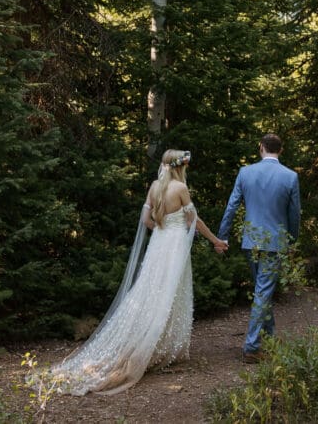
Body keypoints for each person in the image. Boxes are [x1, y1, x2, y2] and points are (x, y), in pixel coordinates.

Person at [39, 149, 227, 395]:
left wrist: (162, 228)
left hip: (158, 243)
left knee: (151, 291)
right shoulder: (180, 189)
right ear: (181, 167)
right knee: (171, 293)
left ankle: (156, 343)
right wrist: (216, 241)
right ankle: (159, 347)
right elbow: (195, 221)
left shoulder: (154, 187)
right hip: (174, 246)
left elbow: (146, 220)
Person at [217, 134, 301, 362]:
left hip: (251, 241)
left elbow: (232, 205)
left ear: (260, 148)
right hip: (275, 243)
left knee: (262, 291)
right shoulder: (290, 177)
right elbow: (294, 215)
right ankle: (252, 347)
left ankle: (269, 337)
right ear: (280, 150)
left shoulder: (246, 173)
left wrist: (222, 236)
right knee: (263, 291)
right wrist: (292, 240)